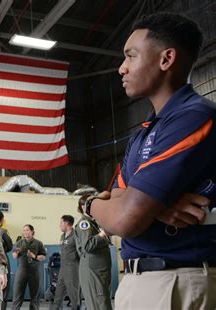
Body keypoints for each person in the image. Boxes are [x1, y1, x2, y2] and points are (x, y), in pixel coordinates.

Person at [85, 12, 216, 309]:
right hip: (138, 280)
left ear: (166, 59)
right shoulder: (144, 132)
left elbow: (124, 219)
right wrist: (152, 206)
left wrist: (92, 205)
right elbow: (120, 198)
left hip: (176, 281)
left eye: (131, 56)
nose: (122, 68)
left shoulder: (193, 116)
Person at [75, 195, 112, 310]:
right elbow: (87, 246)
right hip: (93, 272)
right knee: (100, 304)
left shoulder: (94, 223)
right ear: (83, 207)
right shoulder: (84, 224)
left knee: (103, 302)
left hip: (99, 272)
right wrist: (102, 234)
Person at [12, 224, 46, 310]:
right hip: (21, 271)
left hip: (34, 272)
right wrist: (17, 252)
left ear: (32, 231)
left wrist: (33, 256)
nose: (25, 232)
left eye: (27, 230)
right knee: (17, 295)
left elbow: (43, 257)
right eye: (24, 230)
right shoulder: (19, 242)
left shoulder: (38, 243)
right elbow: (14, 256)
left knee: (35, 297)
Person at [49, 216, 79, 310]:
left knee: (73, 294)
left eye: (61, 223)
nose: (59, 225)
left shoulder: (76, 235)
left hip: (72, 268)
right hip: (63, 268)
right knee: (58, 293)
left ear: (66, 223)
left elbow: (81, 252)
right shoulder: (62, 236)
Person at [0, 210, 13, 310]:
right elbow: (10, 247)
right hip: (2, 261)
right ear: (2, 220)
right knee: (4, 290)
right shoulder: (3, 232)